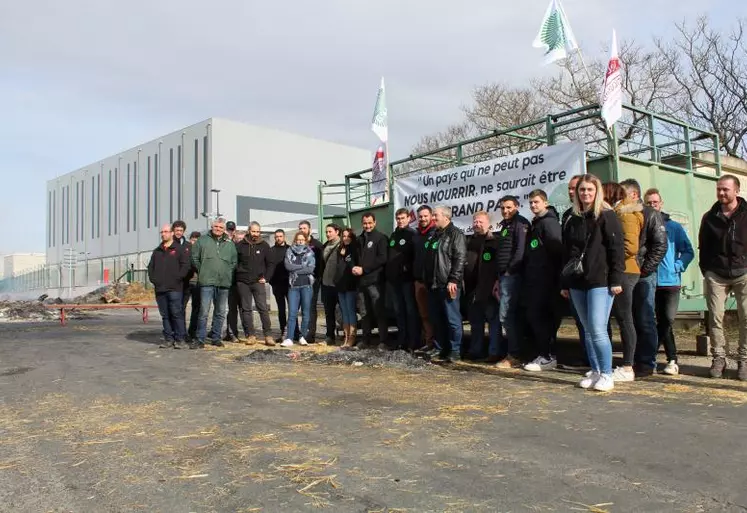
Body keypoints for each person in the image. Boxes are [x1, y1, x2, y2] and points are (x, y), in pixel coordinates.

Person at [562, 174, 625, 392]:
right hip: (577, 280)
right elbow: (567, 252)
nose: (586, 194)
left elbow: (617, 250)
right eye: (582, 190)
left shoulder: (607, 216)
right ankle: (596, 370)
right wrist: (564, 282)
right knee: (587, 329)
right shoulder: (571, 218)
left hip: (601, 280)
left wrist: (616, 278)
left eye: (590, 189)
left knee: (598, 328)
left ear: (597, 191)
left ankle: (607, 373)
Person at [698, 175, 747, 380]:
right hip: (716, 274)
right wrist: (707, 270)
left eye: (725, 189)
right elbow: (704, 246)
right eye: (719, 189)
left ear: (736, 190)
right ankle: (719, 357)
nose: (721, 193)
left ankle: (744, 359)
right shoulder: (709, 217)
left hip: (743, 272)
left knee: (746, 317)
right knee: (716, 317)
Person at [620, 178, 668, 378]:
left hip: (643, 274)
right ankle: (631, 360)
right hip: (626, 273)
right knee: (628, 317)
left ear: (633, 195)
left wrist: (645, 269)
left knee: (645, 317)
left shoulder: (651, 215)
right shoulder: (622, 214)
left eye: (622, 194)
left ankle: (647, 362)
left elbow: (660, 245)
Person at [644, 188, 694, 376]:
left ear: (661, 203)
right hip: (650, 280)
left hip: (670, 281)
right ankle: (671, 359)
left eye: (655, 202)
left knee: (667, 319)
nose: (652, 205)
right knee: (653, 320)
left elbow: (688, 251)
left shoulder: (674, 227)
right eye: (648, 203)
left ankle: (654, 353)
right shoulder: (644, 225)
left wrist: (678, 265)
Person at [603, 182, 644, 383]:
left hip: (625, 271)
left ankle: (628, 366)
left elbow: (630, 246)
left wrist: (611, 261)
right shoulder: (618, 212)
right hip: (620, 270)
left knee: (624, 318)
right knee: (620, 318)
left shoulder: (626, 213)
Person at [522, 190, 563, 372]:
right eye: (531, 203)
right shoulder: (536, 224)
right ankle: (543, 354)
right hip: (535, 280)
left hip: (547, 281)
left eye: (536, 202)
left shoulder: (549, 223)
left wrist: (551, 277)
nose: (533, 206)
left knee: (542, 318)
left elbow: (556, 251)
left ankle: (547, 356)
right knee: (534, 317)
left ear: (545, 203)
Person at [424, 206, 467, 362]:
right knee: (437, 318)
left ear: (446, 217)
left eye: (435, 215)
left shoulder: (456, 234)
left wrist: (454, 279)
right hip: (434, 285)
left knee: (452, 319)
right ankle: (440, 348)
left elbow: (460, 259)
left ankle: (455, 350)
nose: (433, 218)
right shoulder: (434, 235)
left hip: (448, 284)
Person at [492, 195, 530, 368]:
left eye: (509, 207)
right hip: (503, 277)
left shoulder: (520, 223)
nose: (505, 211)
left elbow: (520, 251)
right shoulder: (505, 225)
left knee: (506, 316)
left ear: (517, 206)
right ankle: (515, 352)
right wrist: (499, 278)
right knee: (508, 316)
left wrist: (509, 271)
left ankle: (514, 355)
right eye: (503, 208)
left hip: (513, 276)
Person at [190, 218, 238, 349]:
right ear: (212, 227)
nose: (218, 229)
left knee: (220, 311)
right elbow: (194, 257)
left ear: (224, 229)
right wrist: (202, 269)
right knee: (204, 311)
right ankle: (200, 339)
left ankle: (216, 337)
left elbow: (234, 261)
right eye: (216, 226)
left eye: (221, 227)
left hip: (223, 283)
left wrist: (226, 271)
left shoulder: (229, 244)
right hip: (206, 282)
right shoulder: (202, 240)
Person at [463, 211, 500, 361]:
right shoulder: (469, 241)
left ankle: (494, 352)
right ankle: (475, 351)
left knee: (493, 322)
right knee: (475, 323)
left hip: (489, 288)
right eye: (475, 222)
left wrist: (497, 282)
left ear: (489, 224)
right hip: (472, 290)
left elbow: (499, 265)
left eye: (481, 222)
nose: (477, 225)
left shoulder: (495, 241)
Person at [148, 223, 190, 349]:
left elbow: (185, 266)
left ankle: (180, 339)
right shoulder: (157, 251)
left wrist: (177, 279)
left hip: (175, 288)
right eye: (162, 232)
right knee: (165, 315)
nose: (163, 234)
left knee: (176, 313)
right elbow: (151, 268)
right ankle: (168, 338)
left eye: (166, 231)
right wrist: (154, 280)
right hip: (160, 288)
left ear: (172, 233)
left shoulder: (179, 249)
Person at [353, 212, 389, 350]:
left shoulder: (380, 238)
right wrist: (355, 268)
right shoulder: (359, 239)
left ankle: (383, 341)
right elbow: (355, 258)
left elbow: (382, 259)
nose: (367, 225)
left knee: (379, 311)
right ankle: (365, 340)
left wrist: (365, 269)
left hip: (375, 281)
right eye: (365, 223)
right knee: (364, 312)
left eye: (370, 223)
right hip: (361, 282)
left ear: (375, 223)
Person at [561, 175, 588, 363]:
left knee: (595, 324)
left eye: (575, 188)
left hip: (593, 276)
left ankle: (602, 363)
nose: (572, 192)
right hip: (573, 276)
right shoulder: (568, 214)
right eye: (570, 189)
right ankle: (588, 359)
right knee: (580, 321)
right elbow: (565, 248)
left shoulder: (597, 213)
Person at [235, 222, 275, 346]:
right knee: (246, 309)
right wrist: (238, 274)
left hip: (258, 282)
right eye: (253, 231)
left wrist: (266, 278)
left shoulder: (264, 245)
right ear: (249, 231)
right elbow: (234, 262)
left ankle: (268, 335)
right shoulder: (240, 245)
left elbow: (271, 263)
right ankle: (250, 335)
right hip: (243, 282)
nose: (256, 234)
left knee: (262, 308)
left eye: (258, 232)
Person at [385, 208, 419, 351]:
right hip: (394, 280)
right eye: (398, 218)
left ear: (409, 219)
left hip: (407, 280)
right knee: (399, 311)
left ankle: (413, 342)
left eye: (403, 218)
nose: (400, 220)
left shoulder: (413, 234)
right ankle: (401, 340)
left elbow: (416, 257)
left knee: (410, 311)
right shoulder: (393, 235)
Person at [280, 232, 316, 347]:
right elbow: (288, 266)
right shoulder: (289, 251)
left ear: (306, 240)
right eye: (298, 239)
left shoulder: (310, 252)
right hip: (293, 287)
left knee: (306, 314)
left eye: (302, 239)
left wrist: (295, 270)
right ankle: (289, 338)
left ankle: (302, 336)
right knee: (292, 313)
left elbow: (311, 269)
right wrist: (302, 267)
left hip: (306, 286)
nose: (300, 241)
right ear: (295, 240)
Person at [413, 205, 437, 352]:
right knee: (424, 315)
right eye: (420, 216)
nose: (422, 219)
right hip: (418, 281)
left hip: (432, 282)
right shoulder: (416, 235)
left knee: (435, 314)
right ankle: (429, 342)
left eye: (425, 216)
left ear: (431, 216)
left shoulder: (436, 233)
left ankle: (438, 345)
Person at [269, 229, 298, 341]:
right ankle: (283, 332)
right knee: (281, 310)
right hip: (277, 285)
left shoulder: (290, 249)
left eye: (280, 236)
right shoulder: (271, 251)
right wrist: (271, 281)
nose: (278, 238)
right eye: (276, 236)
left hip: (289, 284)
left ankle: (295, 331)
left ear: (284, 237)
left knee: (292, 309)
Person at [298, 220, 324, 342]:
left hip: (312, 280)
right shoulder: (297, 244)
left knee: (310, 306)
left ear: (309, 229)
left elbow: (320, 263)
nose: (302, 230)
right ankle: (302, 332)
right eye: (300, 228)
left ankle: (310, 334)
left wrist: (316, 277)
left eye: (304, 228)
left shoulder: (317, 245)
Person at [334, 228, 359, 349]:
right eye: (344, 236)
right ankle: (346, 336)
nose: (345, 238)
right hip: (340, 285)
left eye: (348, 236)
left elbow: (353, 266)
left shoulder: (355, 249)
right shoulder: (340, 250)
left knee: (350, 311)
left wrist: (346, 256)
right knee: (344, 312)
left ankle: (352, 337)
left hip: (351, 285)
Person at [320, 224, 342, 345]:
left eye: (330, 231)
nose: (328, 234)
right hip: (326, 284)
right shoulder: (325, 246)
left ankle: (348, 336)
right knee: (329, 312)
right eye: (326, 232)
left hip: (338, 284)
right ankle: (330, 336)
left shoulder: (342, 245)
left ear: (337, 232)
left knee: (345, 310)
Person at [224, 224, 244, 343]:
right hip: (231, 282)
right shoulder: (228, 246)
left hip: (243, 282)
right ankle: (231, 333)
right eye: (238, 238)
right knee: (231, 309)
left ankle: (247, 333)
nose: (240, 240)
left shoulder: (247, 248)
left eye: (242, 238)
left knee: (244, 309)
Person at [172, 220, 193, 327]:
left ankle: (182, 332)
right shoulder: (169, 245)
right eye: (177, 230)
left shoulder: (188, 246)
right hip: (173, 283)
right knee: (174, 308)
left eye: (181, 230)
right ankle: (174, 331)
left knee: (182, 308)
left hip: (185, 282)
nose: (179, 232)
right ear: (173, 231)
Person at [186, 230, 202, 341]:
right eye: (193, 240)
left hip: (197, 282)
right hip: (186, 282)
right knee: (181, 308)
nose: (194, 242)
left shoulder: (202, 251)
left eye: (197, 240)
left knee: (196, 308)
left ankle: (193, 331)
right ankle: (181, 332)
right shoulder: (185, 250)